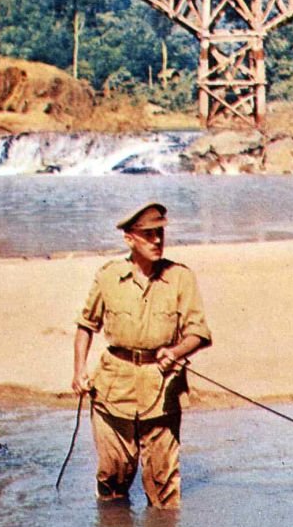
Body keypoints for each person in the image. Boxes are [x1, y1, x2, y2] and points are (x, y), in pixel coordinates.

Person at [72, 202, 211, 508]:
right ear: (129, 239)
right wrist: (79, 370)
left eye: (160, 233)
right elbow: (85, 325)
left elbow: (199, 333)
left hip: (162, 391)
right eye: (148, 234)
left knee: (164, 489)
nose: (157, 240)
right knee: (113, 477)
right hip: (113, 390)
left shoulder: (180, 278)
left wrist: (175, 351)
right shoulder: (108, 276)